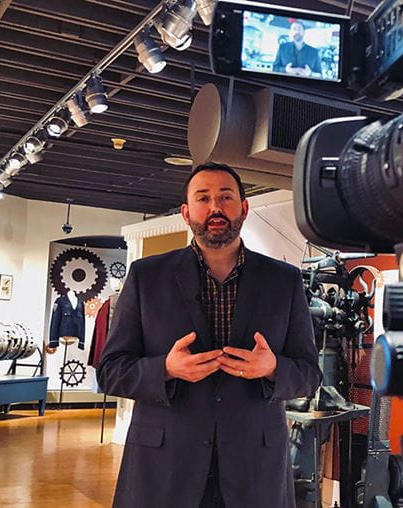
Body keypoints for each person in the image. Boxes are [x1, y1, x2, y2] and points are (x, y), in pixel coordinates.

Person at [97, 161, 321, 508]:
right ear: (186, 214)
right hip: (164, 467)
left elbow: (309, 373)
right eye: (203, 198)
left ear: (244, 208)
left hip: (254, 469)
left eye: (225, 197)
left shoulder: (284, 281)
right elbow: (110, 370)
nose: (215, 207)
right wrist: (165, 370)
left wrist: (274, 368)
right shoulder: (146, 277)